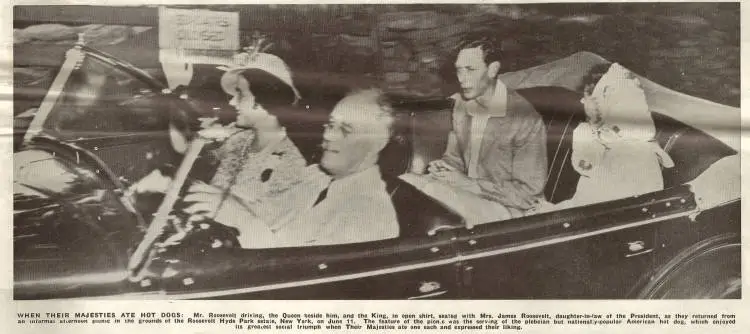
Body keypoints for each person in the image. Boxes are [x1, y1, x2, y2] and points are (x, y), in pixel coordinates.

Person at [183, 88, 400, 248]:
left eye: (345, 129)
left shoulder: (368, 212)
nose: (328, 135)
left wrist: (241, 219)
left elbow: (299, 277)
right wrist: (221, 199)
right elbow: (269, 210)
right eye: (331, 125)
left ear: (377, 142)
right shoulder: (317, 176)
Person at [130, 53, 312, 222]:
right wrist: (174, 95)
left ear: (266, 99)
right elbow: (187, 151)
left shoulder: (291, 165)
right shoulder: (239, 139)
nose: (232, 102)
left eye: (240, 93)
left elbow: (269, 230)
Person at [425, 36, 547, 219]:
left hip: (510, 208)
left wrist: (471, 185)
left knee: (431, 199)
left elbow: (528, 194)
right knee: (408, 183)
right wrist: (444, 168)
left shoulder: (525, 119)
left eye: (470, 70)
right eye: (459, 70)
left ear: (492, 69)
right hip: (469, 195)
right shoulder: (461, 105)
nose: (462, 79)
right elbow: (454, 158)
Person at [557, 62, 673, 208]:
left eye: (587, 97)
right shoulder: (613, 141)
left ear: (606, 104)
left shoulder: (630, 155)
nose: (581, 101)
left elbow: (595, 208)